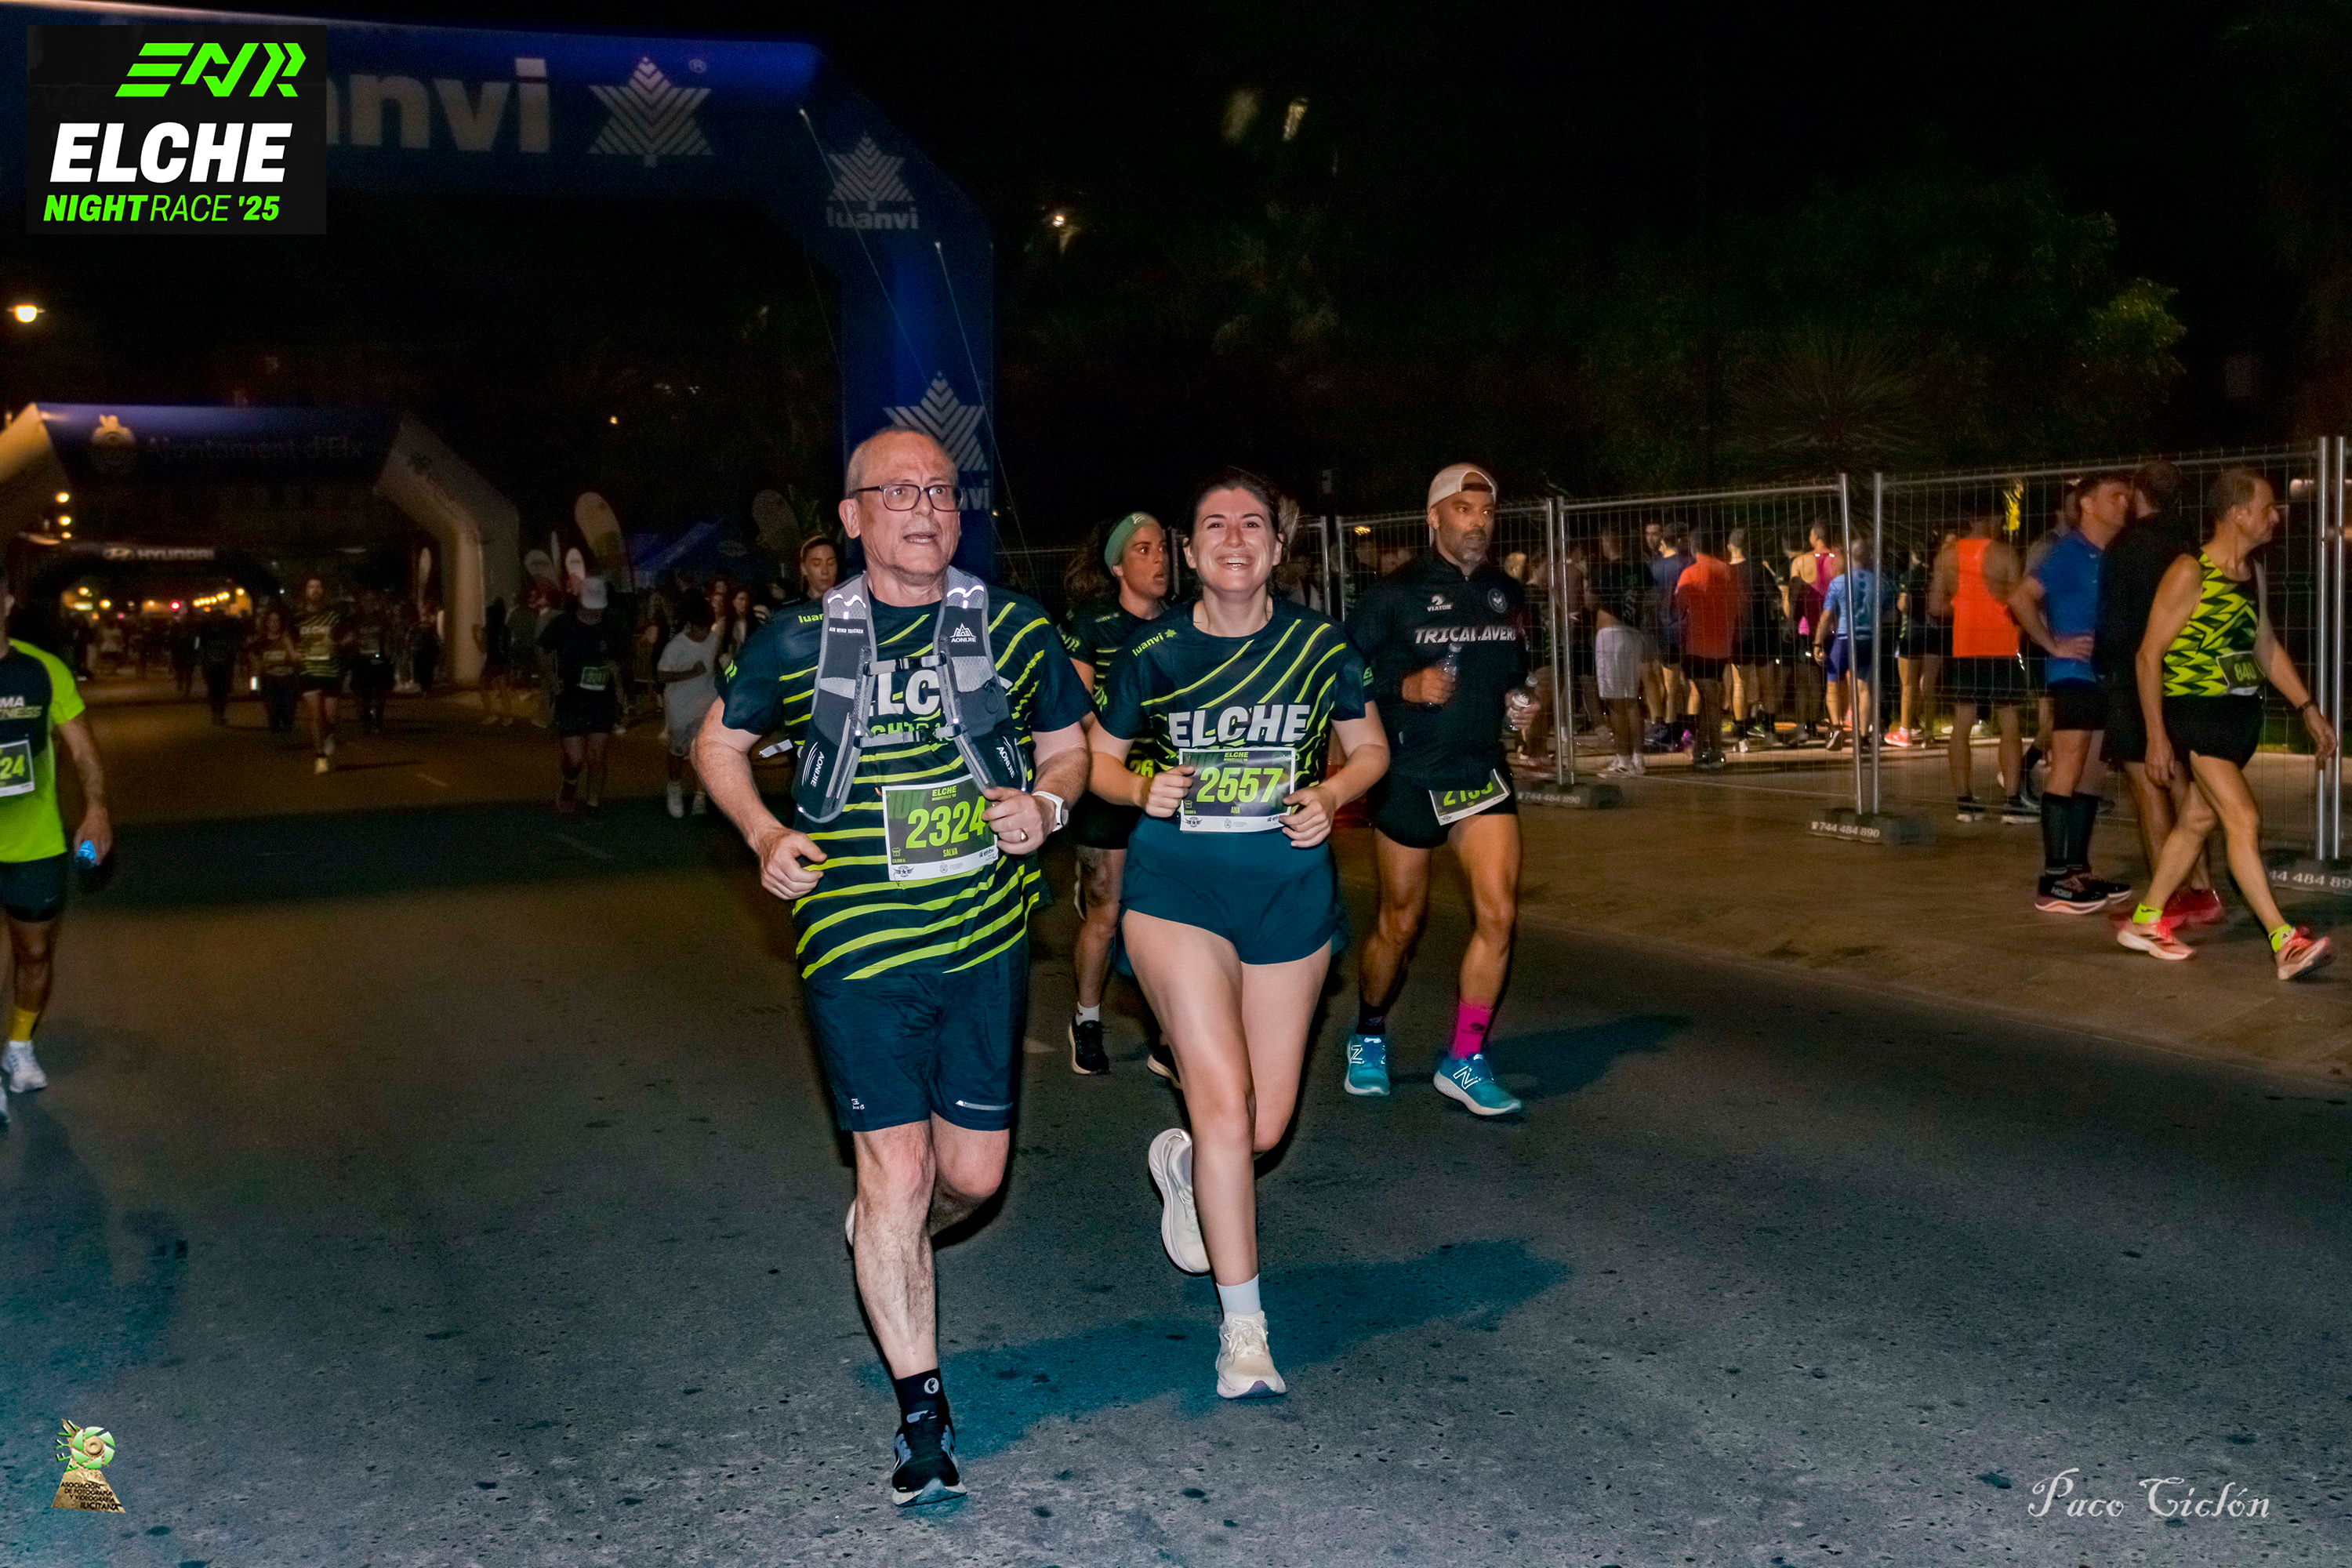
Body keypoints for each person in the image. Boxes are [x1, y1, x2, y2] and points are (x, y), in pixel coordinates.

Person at [698, 428, 1090, 1506]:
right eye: (898, 491)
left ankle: (885, 1230)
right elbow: (717, 745)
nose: (924, 507)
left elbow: (1070, 744)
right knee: (899, 1172)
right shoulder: (798, 639)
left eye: (941, 491)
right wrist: (764, 833)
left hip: (985, 936)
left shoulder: (1012, 625)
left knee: (974, 1178)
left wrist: (1048, 805)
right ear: (853, 515)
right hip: (859, 941)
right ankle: (924, 1414)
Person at [1091, 470, 1388, 1400]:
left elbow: (1371, 747)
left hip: (1288, 894)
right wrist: (1142, 788)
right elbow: (1095, 760)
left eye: (1251, 523)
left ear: (1276, 545)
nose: (1233, 537)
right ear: (1190, 549)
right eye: (1213, 523)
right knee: (1224, 1103)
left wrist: (1333, 792)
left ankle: (1184, 1162)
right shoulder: (1155, 651)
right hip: (1176, 889)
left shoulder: (1318, 644)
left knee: (1259, 1125)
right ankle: (1244, 1330)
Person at [1342, 463, 1534, 1114]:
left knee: (1499, 914)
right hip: (1410, 776)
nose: (1478, 523)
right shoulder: (1393, 595)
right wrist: (1403, 686)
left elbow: (1517, 673)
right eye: (1463, 510)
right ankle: (1369, 1033)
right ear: (1434, 517)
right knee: (1400, 924)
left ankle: (1465, 1058)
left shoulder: (1508, 593)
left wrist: (1522, 704)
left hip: (1480, 775)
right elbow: (1338, 676)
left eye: (1486, 512)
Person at [2118, 470, 2334, 979]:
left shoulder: (2251, 572)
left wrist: (2308, 708)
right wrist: (2156, 738)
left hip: (2238, 718)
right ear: (2237, 514)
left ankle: (2145, 920)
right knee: (2243, 819)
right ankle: (2283, 941)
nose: (2276, 516)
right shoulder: (2189, 572)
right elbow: (2148, 656)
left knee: (2197, 822)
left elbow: (2264, 646)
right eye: (2267, 508)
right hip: (2198, 715)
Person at [1057, 510, 1170, 1076]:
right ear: (1119, 566)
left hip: (1167, 788)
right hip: (1107, 786)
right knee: (1107, 911)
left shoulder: (1186, 624)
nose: (1159, 559)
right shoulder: (1092, 624)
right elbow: (1076, 711)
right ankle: (1087, 1018)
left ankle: (1169, 1034)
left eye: (1163, 548)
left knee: (1166, 916)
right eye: (1143, 550)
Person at [0, 583, 112, 1128]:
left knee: (35, 951)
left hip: (34, 842)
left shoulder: (43, 670)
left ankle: (19, 1045)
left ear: (6, 604)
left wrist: (96, 808)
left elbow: (82, 748)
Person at [2097, 461, 2222, 926]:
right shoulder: (2190, 543)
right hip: (2185, 672)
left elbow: (2114, 621)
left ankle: (2164, 899)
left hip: (2137, 673)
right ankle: (2202, 890)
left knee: (2148, 783)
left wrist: (2105, 665)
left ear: (2137, 493)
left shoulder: (2125, 546)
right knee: (2182, 780)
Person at [2010, 471, 2135, 913]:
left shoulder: (2114, 553)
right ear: (2087, 504)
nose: (2124, 503)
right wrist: (2052, 643)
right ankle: (2054, 879)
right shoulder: (2068, 552)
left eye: (2127, 497)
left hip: (2102, 674)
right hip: (2073, 673)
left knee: (2092, 773)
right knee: (2068, 766)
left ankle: (2077, 868)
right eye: (2115, 496)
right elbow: (2020, 598)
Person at [1932, 514, 2031, 822]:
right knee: (2009, 722)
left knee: (1962, 723)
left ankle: (1965, 803)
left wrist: (1963, 606)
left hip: (1965, 646)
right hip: (2002, 645)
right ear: (1993, 517)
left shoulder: (1947, 556)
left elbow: (1935, 606)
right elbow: (2020, 601)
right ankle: (2012, 802)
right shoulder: (2005, 554)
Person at [539, 576, 631, 818]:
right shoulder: (563, 624)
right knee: (575, 758)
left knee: (597, 757)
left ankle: (593, 803)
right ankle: (570, 782)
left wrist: (620, 697)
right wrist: (551, 677)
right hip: (570, 698)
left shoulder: (612, 627)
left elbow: (616, 667)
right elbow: (542, 649)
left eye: (598, 608)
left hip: (601, 699)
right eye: (591, 607)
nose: (595, 612)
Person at [1812, 539, 1887, 751]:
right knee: (1864, 687)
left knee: (1833, 683)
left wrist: (1817, 642)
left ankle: (1836, 728)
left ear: (1849, 556)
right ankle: (1862, 737)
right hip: (1869, 638)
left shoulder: (1838, 582)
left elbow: (1827, 616)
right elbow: (1887, 612)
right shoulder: (1878, 582)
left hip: (1845, 638)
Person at [1588, 530, 1650, 776]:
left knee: (1615, 702)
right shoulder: (1640, 568)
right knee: (1631, 698)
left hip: (1610, 634)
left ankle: (1623, 759)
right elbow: (1650, 598)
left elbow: (1590, 602)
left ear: (1607, 542)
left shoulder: (1603, 570)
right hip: (1633, 634)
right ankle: (1638, 759)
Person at [1675, 533, 1738, 769]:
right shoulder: (1728, 572)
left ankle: (1716, 751)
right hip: (1722, 645)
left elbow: (1679, 607)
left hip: (1698, 644)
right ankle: (1702, 748)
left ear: (1694, 548)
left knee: (1709, 698)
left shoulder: (1690, 573)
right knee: (1707, 697)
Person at [655, 594, 720, 818]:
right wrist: (691, 673)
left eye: (707, 627)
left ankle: (700, 796)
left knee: (703, 750)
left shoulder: (714, 639)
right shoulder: (677, 646)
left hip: (706, 701)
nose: (705, 633)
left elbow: (715, 664)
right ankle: (674, 787)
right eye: (700, 628)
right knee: (678, 749)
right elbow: (661, 675)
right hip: (680, 706)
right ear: (690, 624)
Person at [1725, 529, 1784, 750]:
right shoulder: (1759, 569)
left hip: (1736, 635)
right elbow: (1775, 598)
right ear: (1747, 546)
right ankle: (1770, 732)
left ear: (1730, 546)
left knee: (1739, 684)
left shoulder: (1724, 571)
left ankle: (1742, 738)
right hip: (1762, 632)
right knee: (1767, 683)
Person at [292, 576, 351, 775]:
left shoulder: (334, 616)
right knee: (316, 716)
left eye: (318, 587)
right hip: (308, 671)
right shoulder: (298, 617)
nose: (315, 590)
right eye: (311, 587)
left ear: (324, 591)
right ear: (305, 591)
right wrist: (293, 653)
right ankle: (320, 757)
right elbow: (286, 635)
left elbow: (350, 636)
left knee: (331, 718)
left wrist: (338, 644)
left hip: (331, 672)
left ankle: (330, 736)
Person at [1644, 524, 1694, 750]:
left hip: (1662, 629)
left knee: (1669, 685)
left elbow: (1648, 600)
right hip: (1686, 627)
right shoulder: (1687, 564)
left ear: (1663, 541)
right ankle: (1688, 729)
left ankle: (1670, 732)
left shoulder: (1653, 568)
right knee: (1687, 682)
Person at [1893, 545, 1943, 747]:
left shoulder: (1909, 576)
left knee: (1908, 685)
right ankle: (1929, 735)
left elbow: (1903, 606)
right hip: (1934, 634)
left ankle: (1904, 732)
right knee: (1929, 688)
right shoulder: (1938, 577)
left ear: (1914, 556)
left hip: (1911, 634)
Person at [349, 587, 397, 736]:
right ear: (361, 602)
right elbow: (350, 638)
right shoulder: (356, 619)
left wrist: (389, 656)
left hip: (379, 662)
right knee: (362, 694)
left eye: (371, 601)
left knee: (380, 694)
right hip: (361, 662)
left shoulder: (382, 619)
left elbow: (389, 638)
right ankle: (366, 721)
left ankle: (378, 720)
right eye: (365, 601)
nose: (368, 604)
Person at [253, 606, 299, 735]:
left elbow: (295, 658)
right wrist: (253, 687)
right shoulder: (261, 642)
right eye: (271, 620)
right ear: (266, 623)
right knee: (273, 708)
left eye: (277, 620)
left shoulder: (288, 639)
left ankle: (287, 724)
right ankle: (275, 724)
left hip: (288, 679)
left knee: (288, 710)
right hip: (269, 681)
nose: (274, 624)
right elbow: (255, 667)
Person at [195, 611, 238, 725]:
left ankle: (221, 714)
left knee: (223, 691)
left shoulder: (228, 631)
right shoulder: (205, 631)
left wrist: (231, 659)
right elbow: (198, 645)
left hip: (224, 665)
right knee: (213, 690)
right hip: (210, 665)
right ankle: (216, 714)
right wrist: (202, 659)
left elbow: (233, 646)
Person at [477, 596, 514, 726]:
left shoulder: (488, 629)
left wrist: (475, 636)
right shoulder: (506, 628)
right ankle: (508, 716)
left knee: (482, 686)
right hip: (504, 662)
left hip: (492, 662)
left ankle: (491, 714)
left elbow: (482, 649)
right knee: (503, 690)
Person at [800, 536, 842, 603]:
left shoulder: (849, 604)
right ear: (804, 569)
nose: (825, 571)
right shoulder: (793, 607)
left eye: (831, 563)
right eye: (817, 564)